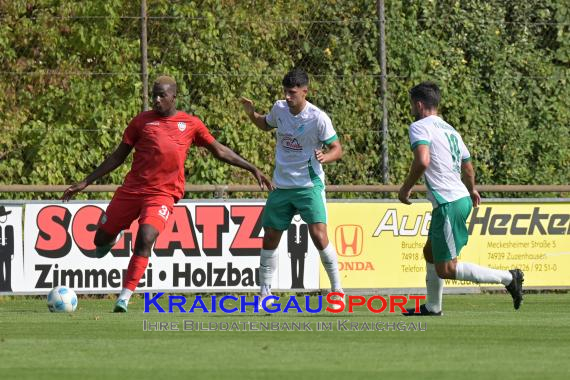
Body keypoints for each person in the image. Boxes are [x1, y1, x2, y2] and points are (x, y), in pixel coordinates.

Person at [62, 75, 272, 312]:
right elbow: (117, 156)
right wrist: (85, 182)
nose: (156, 99)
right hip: (131, 190)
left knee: (146, 237)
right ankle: (114, 235)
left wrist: (252, 168)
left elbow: (220, 151)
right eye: (154, 95)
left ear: (174, 97)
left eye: (162, 95)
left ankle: (124, 296)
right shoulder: (141, 122)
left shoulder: (190, 124)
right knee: (99, 242)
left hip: (162, 194)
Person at [398, 81, 524, 316]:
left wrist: (405, 189)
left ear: (418, 104)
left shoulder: (420, 127)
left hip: (448, 203)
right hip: (458, 198)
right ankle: (433, 306)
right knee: (430, 253)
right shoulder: (450, 130)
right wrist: (472, 189)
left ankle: (509, 278)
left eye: (411, 105)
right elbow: (467, 167)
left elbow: (422, 161)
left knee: (446, 268)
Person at [240, 68, 344, 309]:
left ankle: (337, 290)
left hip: (308, 185)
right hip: (282, 185)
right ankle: (265, 293)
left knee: (319, 236)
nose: (288, 97)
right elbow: (265, 125)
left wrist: (325, 157)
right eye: (286, 92)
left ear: (305, 92)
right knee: (270, 237)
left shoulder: (318, 118)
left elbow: (337, 148)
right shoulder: (279, 109)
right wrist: (250, 113)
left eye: (293, 93)